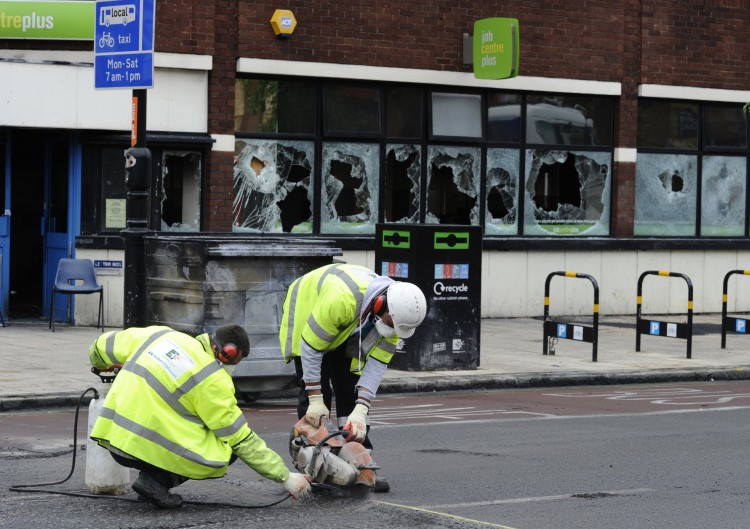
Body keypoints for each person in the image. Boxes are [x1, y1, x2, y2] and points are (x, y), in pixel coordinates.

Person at [88, 324, 311, 509]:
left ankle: (150, 480)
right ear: (222, 351)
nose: (230, 369)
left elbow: (101, 346)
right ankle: (156, 481)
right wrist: (284, 476)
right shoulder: (212, 378)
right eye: (231, 363)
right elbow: (240, 438)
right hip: (143, 450)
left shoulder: (161, 334)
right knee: (227, 448)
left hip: (113, 440)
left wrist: (101, 364)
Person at [279, 263, 427, 492]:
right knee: (319, 396)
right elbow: (310, 347)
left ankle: (360, 463)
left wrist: (361, 410)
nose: (391, 329)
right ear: (380, 304)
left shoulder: (395, 317)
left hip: (348, 324)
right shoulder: (342, 300)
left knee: (349, 389)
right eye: (389, 323)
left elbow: (375, 366)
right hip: (309, 309)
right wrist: (315, 397)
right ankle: (316, 464)